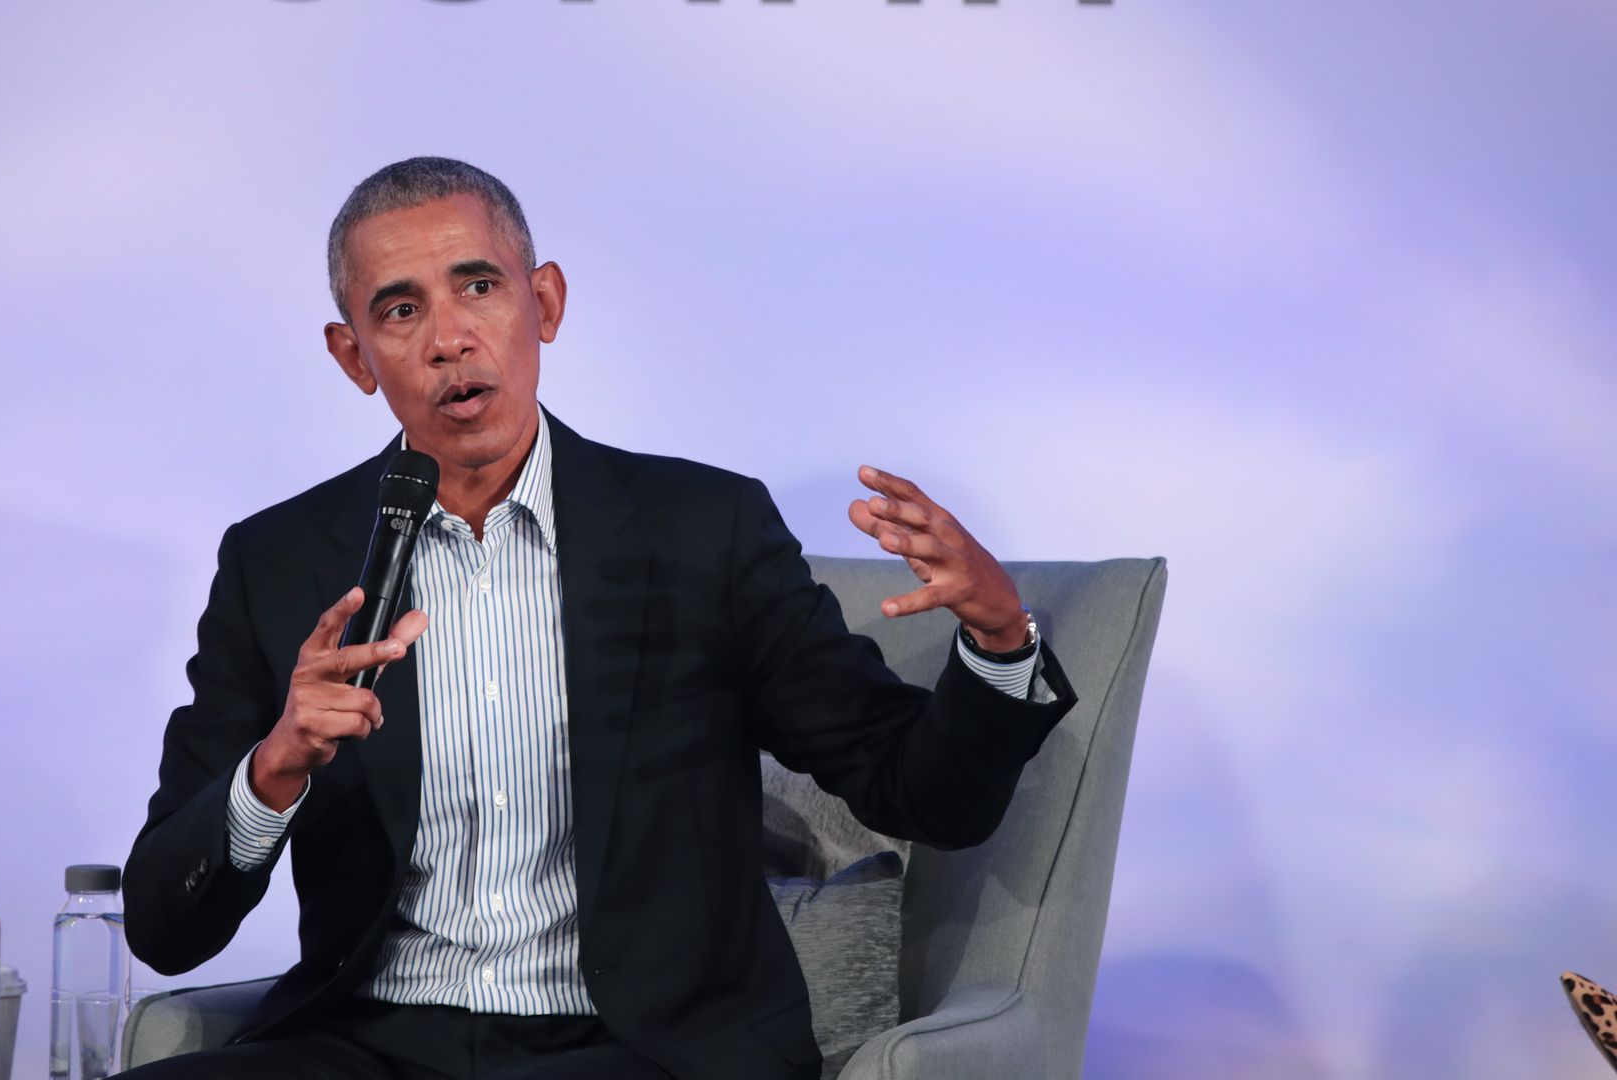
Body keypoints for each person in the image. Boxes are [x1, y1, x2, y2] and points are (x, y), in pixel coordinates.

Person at [119, 157, 1077, 1080]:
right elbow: (165, 929)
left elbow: (916, 791)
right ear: (353, 357)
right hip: (368, 1042)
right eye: (401, 310)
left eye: (479, 287)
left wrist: (998, 639)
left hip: (638, 1046)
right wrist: (271, 772)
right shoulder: (278, 563)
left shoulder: (703, 531)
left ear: (544, 304)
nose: (449, 338)